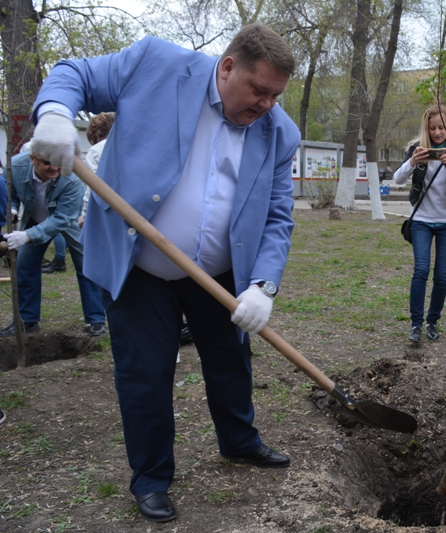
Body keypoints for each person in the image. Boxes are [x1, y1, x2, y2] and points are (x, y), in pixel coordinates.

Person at [29, 24, 299, 523]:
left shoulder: (279, 132)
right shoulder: (155, 65)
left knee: (230, 361)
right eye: (259, 91)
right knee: (145, 374)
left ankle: (239, 441)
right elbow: (73, 73)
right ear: (227, 67)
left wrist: (263, 284)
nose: (266, 104)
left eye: (276, 95)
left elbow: (279, 216)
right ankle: (152, 478)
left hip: (218, 275)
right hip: (140, 268)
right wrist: (53, 114)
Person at [1, 150, 107, 337]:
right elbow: (10, 192)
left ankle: (96, 319)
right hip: (34, 218)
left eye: (58, 162)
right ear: (32, 158)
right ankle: (27, 320)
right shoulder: (15, 167)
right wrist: (13, 208)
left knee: (86, 265)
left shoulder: (71, 177)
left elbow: (63, 218)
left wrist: (27, 235)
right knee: (25, 266)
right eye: (48, 162)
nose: (55, 168)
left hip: (67, 219)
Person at [394, 104, 446, 342]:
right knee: (421, 270)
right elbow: (397, 179)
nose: (438, 133)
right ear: (426, 129)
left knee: (441, 275)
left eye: (442, 127)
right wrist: (412, 162)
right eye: (433, 128)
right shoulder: (416, 149)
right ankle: (416, 325)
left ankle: (432, 322)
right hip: (421, 221)